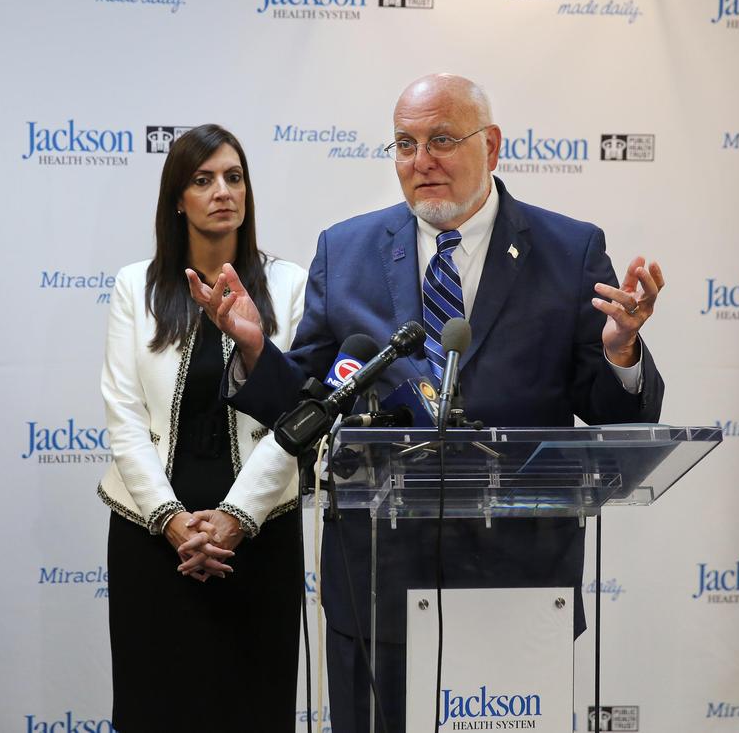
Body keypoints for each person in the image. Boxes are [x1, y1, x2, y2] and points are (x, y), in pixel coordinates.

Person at [188, 74, 665, 733]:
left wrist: (619, 350)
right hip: (376, 582)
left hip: (518, 579)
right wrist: (252, 349)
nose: (422, 161)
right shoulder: (346, 249)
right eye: (405, 143)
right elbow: (308, 400)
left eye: (442, 138)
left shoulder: (570, 249)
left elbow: (620, 416)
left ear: (492, 145)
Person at [97, 124, 308, 732]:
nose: (223, 192)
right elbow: (125, 418)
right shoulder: (135, 285)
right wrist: (171, 521)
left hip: (261, 534)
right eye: (203, 179)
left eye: (234, 178)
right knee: (154, 708)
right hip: (151, 535)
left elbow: (295, 418)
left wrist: (237, 517)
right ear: (177, 199)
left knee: (253, 707)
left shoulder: (290, 284)